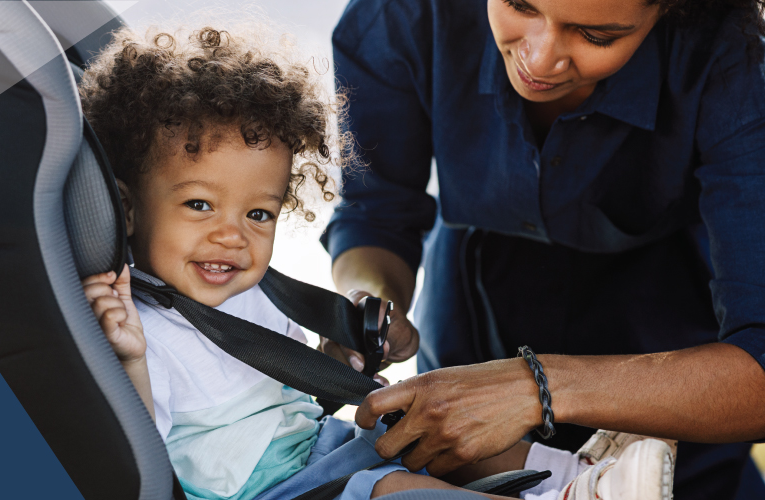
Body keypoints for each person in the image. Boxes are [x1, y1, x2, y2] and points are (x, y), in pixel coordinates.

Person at [77, 24, 678, 500]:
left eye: (258, 214)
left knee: (434, 421)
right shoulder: (138, 330)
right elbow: (137, 461)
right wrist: (128, 358)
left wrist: (331, 361)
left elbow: (280, 400)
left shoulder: (248, 293)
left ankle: (582, 471)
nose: (230, 236)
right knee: (389, 490)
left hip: (318, 449)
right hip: (275, 491)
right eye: (200, 204)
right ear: (127, 208)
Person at [320, 0, 765, 498]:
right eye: (519, 5)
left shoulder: (739, 58)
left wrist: (538, 386)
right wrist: (371, 304)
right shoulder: (399, 16)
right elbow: (376, 211)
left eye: (596, 36)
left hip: (673, 356)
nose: (540, 58)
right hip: (468, 316)